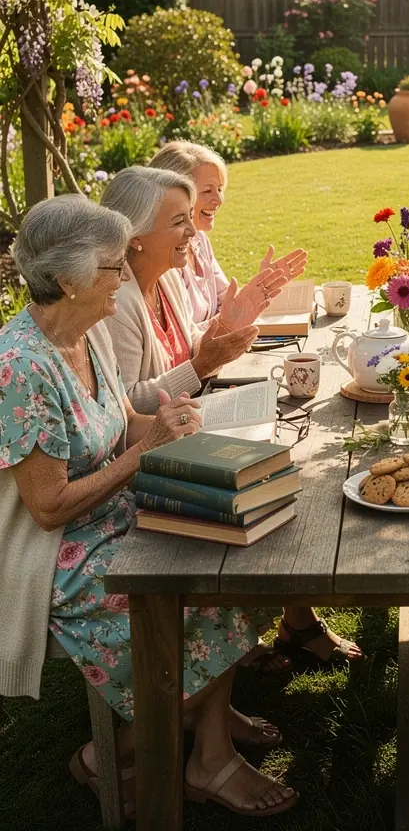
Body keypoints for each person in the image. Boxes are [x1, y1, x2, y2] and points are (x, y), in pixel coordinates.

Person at [0, 196, 299, 816]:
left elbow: (124, 423)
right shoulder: (20, 366)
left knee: (243, 552)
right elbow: (49, 508)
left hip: (114, 512)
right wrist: (146, 454)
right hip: (57, 556)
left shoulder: (84, 331)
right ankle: (140, 753)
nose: (123, 277)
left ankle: (192, 743)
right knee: (201, 586)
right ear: (66, 280)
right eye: (112, 266)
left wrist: (163, 423)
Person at [148, 141, 363, 668]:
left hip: (201, 391)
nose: (215, 201)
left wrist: (244, 308)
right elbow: (176, 363)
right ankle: (251, 636)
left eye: (221, 190)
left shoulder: (193, 248)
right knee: (284, 465)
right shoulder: (152, 272)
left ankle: (292, 620)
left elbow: (220, 308)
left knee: (292, 451)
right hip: (182, 410)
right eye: (205, 192)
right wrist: (210, 350)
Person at [101, 166, 280, 412]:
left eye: (190, 216)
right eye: (178, 221)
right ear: (136, 237)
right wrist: (201, 366)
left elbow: (188, 343)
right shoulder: (116, 303)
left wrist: (225, 325)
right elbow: (127, 404)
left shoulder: (168, 277)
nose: (193, 231)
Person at [147, 141, 307, 327]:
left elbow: (226, 305)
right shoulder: (165, 257)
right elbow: (181, 341)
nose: (219, 200)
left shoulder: (199, 240)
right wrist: (234, 317)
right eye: (207, 191)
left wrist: (261, 285)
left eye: (220, 189)